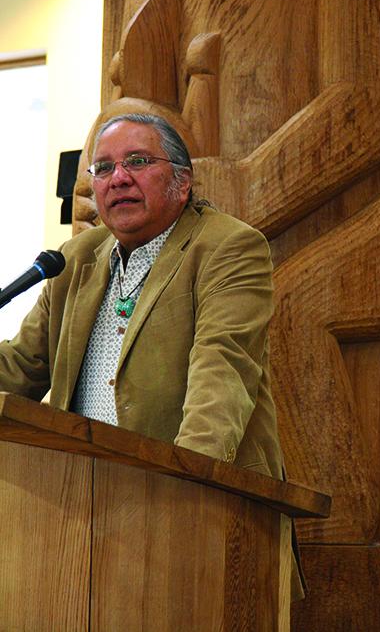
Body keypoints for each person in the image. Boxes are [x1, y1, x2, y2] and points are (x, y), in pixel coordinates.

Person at [0, 113, 283, 479]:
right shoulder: (74, 258)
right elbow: (22, 366)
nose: (118, 178)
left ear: (183, 181)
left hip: (195, 501)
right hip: (80, 495)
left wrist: (184, 479)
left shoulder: (227, 247)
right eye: (103, 168)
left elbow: (222, 373)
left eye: (138, 161)